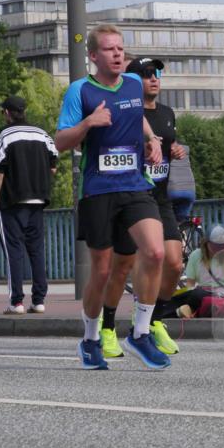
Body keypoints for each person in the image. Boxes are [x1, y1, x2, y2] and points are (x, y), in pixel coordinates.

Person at [55, 24, 170, 370]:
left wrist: (152, 141)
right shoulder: (80, 91)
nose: (118, 54)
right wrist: (89, 123)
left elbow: (137, 119)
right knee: (103, 271)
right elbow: (61, 141)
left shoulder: (134, 84)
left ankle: (139, 332)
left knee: (155, 251)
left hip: (135, 185)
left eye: (120, 48)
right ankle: (90, 339)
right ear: (93, 56)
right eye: (109, 49)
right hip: (98, 190)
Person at [99, 57, 185, 358]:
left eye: (158, 73)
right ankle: (107, 328)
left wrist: (174, 149)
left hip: (160, 199)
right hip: (132, 196)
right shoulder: (126, 113)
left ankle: (154, 321)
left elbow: (167, 147)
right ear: (135, 81)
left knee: (174, 263)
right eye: (148, 74)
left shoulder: (167, 113)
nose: (154, 78)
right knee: (122, 267)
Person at [0, 95, 58, 315]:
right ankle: (39, 300)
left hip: (12, 201)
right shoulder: (41, 133)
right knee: (37, 251)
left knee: (14, 252)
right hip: (38, 200)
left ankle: (16, 302)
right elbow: (53, 164)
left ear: (8, 113)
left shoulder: (5, 134)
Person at [171, 224, 224, 318]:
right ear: (206, 243)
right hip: (200, 294)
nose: (218, 250)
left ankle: (190, 310)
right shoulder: (196, 255)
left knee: (202, 297)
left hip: (221, 295)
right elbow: (190, 284)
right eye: (215, 247)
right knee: (182, 297)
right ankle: (189, 310)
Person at [167, 142, 196, 221]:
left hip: (171, 189)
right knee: (180, 221)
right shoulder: (185, 148)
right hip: (190, 189)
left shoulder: (162, 148)